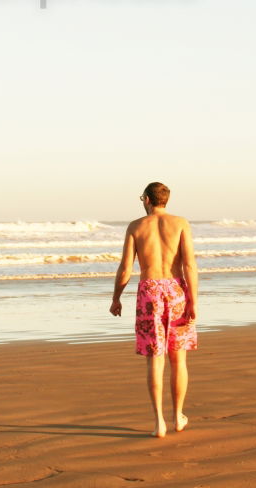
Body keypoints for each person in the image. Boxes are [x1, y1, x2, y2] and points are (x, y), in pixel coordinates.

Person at [109, 181, 198, 438]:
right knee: (178, 358)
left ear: (147, 199)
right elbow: (190, 265)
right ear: (165, 200)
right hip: (176, 290)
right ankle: (178, 416)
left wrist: (116, 298)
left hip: (149, 292)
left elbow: (126, 268)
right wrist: (194, 301)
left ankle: (158, 421)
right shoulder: (181, 223)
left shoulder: (136, 226)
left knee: (155, 359)